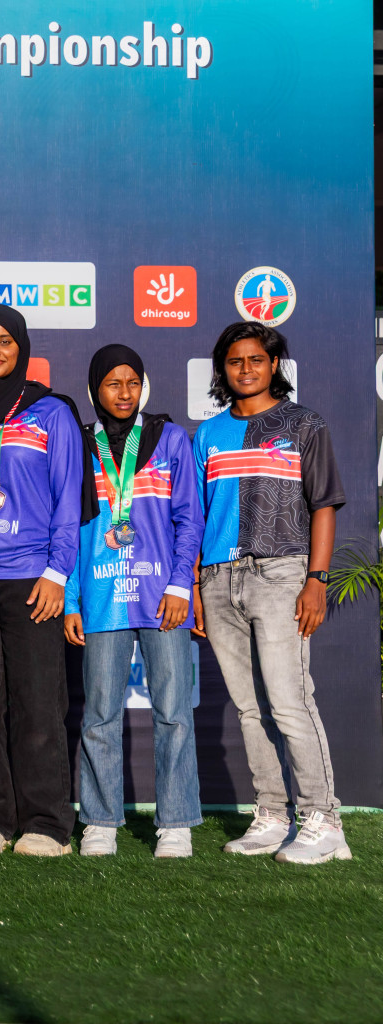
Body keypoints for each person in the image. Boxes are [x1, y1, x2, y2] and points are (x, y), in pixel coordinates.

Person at [193, 322, 349, 864]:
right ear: (223, 369)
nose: (245, 369)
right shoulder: (208, 433)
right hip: (217, 579)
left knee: (288, 700)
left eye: (256, 360)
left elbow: (323, 503)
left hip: (283, 575)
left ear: (274, 364)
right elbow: (196, 516)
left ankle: (324, 821)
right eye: (235, 361)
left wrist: (316, 579)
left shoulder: (304, 424)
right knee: (248, 707)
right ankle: (272, 813)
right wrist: (194, 585)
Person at [0, 304, 93, 856]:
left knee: (37, 702)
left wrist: (57, 574)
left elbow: (67, 503)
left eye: (5, 340)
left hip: (33, 577)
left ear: (22, 347)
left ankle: (46, 823)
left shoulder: (52, 413)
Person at [64, 344, 203, 858]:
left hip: (160, 594)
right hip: (101, 595)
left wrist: (178, 585)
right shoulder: (81, 445)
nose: (124, 393)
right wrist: (73, 598)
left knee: (173, 712)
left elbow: (189, 518)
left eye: (132, 383)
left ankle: (176, 823)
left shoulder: (170, 439)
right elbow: (70, 528)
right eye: (112, 384)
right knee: (99, 713)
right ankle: (99, 821)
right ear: (94, 389)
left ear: (143, 386)